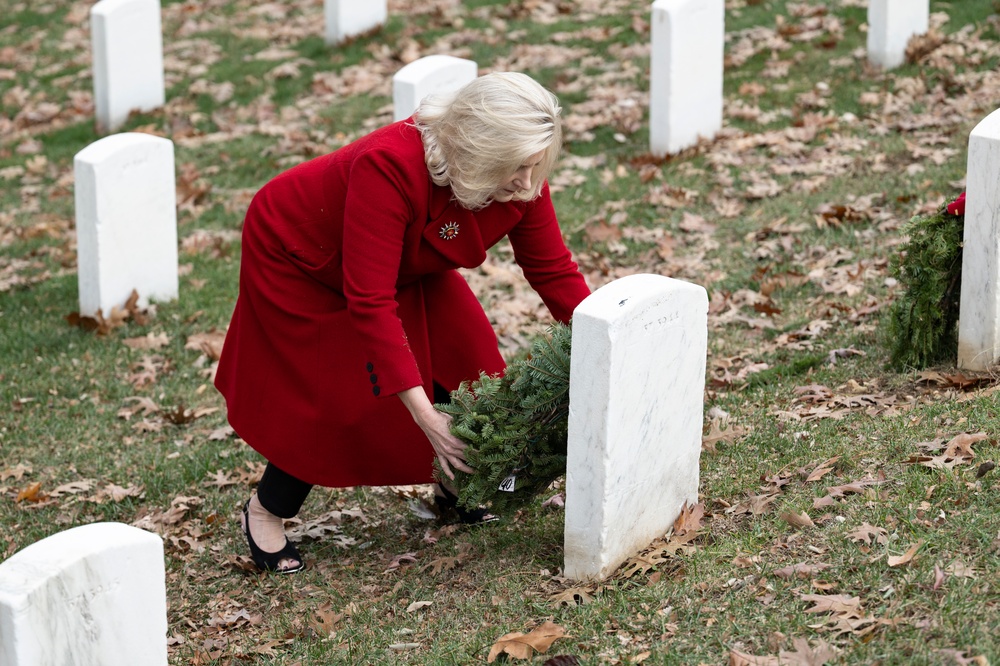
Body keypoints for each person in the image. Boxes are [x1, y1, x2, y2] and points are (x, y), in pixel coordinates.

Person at [215, 72, 592, 574]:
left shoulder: (521, 176)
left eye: (535, 166)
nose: (527, 185)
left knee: (470, 361)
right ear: (477, 152)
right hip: (304, 257)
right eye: (515, 168)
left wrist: (605, 342)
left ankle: (455, 487)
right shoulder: (388, 165)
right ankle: (266, 509)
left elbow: (552, 270)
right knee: (336, 396)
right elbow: (369, 301)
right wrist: (425, 417)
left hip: (408, 257)